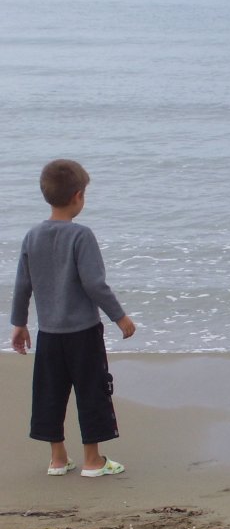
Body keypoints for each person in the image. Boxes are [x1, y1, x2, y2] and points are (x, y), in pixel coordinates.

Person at [10, 159, 136, 477]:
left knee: (49, 393)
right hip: (83, 332)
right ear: (78, 196)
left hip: (49, 334)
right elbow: (94, 283)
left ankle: (57, 459)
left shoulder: (32, 236)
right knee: (92, 391)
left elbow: (23, 285)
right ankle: (93, 460)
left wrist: (19, 323)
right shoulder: (81, 236)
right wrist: (119, 317)